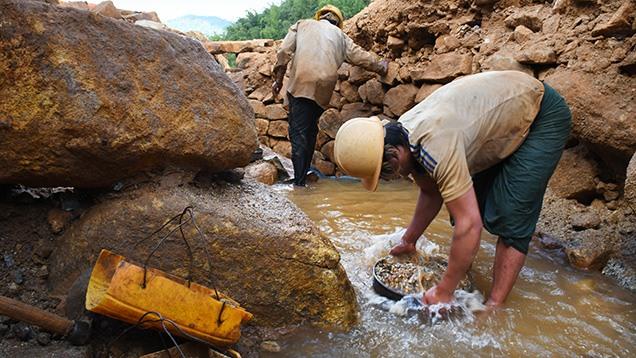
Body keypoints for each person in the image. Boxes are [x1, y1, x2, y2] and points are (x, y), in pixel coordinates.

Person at [333, 71, 571, 306]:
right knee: (468, 203)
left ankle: (495, 307)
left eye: (388, 173)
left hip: (539, 112)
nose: (396, 177)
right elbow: (430, 190)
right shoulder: (404, 132)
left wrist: (445, 290)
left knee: (510, 216)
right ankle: (462, 274)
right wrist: (409, 240)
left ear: (394, 153)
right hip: (498, 119)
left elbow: (470, 224)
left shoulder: (434, 146)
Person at [272, 5, 388, 187]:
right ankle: (302, 177)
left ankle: (299, 185)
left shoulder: (302, 25)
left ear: (320, 18)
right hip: (323, 88)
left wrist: (278, 80)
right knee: (310, 132)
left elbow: (283, 52)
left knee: (299, 133)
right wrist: (381, 67)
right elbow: (360, 56)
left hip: (301, 83)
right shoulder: (341, 36)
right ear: (338, 23)